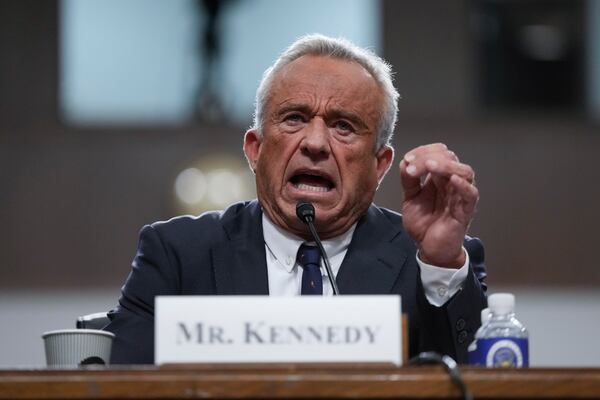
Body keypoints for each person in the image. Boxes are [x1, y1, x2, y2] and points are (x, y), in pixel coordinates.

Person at [104, 34, 487, 364]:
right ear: (255, 150)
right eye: (294, 119)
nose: (316, 143)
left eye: (343, 126)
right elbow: (121, 387)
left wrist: (440, 262)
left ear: (379, 165)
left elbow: (479, 385)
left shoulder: (429, 260)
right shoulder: (177, 254)